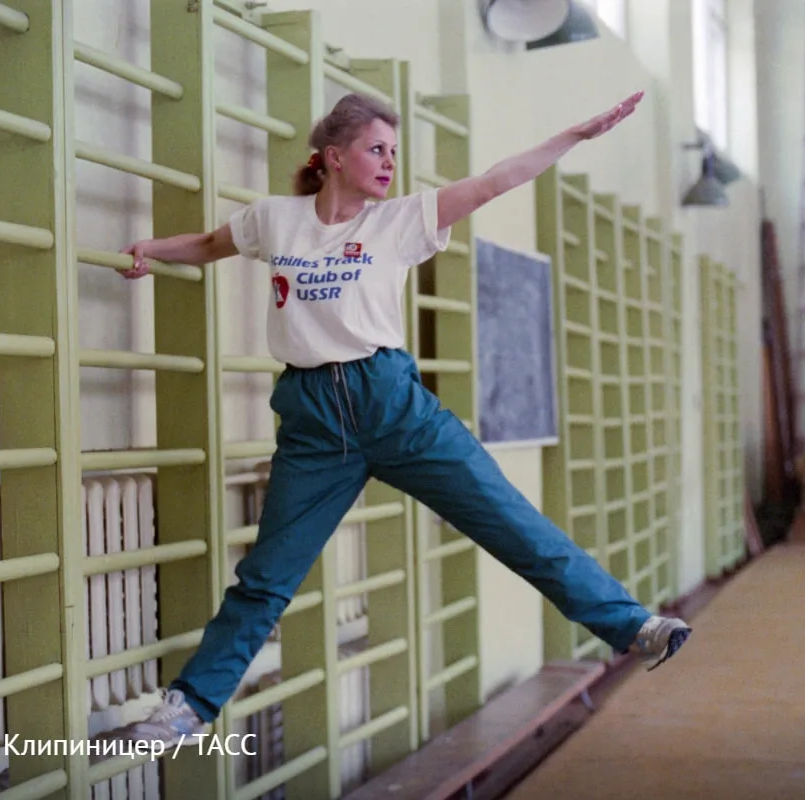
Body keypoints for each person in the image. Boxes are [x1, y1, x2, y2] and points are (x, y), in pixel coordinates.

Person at [104, 90, 691, 749]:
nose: (389, 162)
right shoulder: (275, 219)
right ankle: (186, 709)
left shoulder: (401, 220)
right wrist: (152, 249)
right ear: (334, 157)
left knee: (512, 523)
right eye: (376, 150)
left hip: (395, 407)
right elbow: (212, 244)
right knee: (266, 577)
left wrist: (574, 135)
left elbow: (495, 181)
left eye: (393, 151)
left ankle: (634, 625)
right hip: (313, 422)